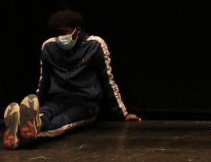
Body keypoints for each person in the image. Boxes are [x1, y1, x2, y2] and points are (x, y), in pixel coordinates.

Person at [4, 10, 139, 150]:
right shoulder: (48, 46)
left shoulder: (94, 44)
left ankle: (21, 136)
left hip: (86, 103)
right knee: (44, 113)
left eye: (65, 32)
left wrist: (122, 113)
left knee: (63, 121)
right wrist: (36, 102)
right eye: (58, 34)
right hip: (58, 99)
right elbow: (44, 81)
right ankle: (26, 127)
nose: (61, 37)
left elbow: (107, 80)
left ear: (77, 29)